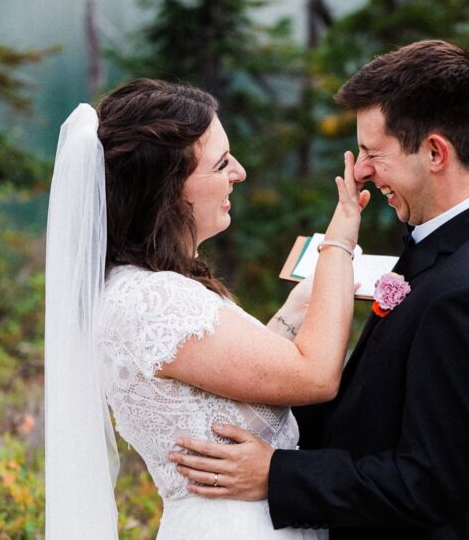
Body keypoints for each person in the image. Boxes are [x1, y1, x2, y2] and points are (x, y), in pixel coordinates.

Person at [170, 40, 469, 539]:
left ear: (436, 152)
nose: (360, 170)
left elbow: (430, 484)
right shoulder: (468, 236)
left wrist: (277, 474)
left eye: (372, 153)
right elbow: (380, 405)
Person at [43, 78, 371, 539]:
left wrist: (296, 309)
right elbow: (315, 375)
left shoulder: (146, 290)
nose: (239, 172)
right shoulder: (153, 301)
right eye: (221, 164)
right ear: (169, 189)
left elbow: (236, 390)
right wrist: (339, 238)